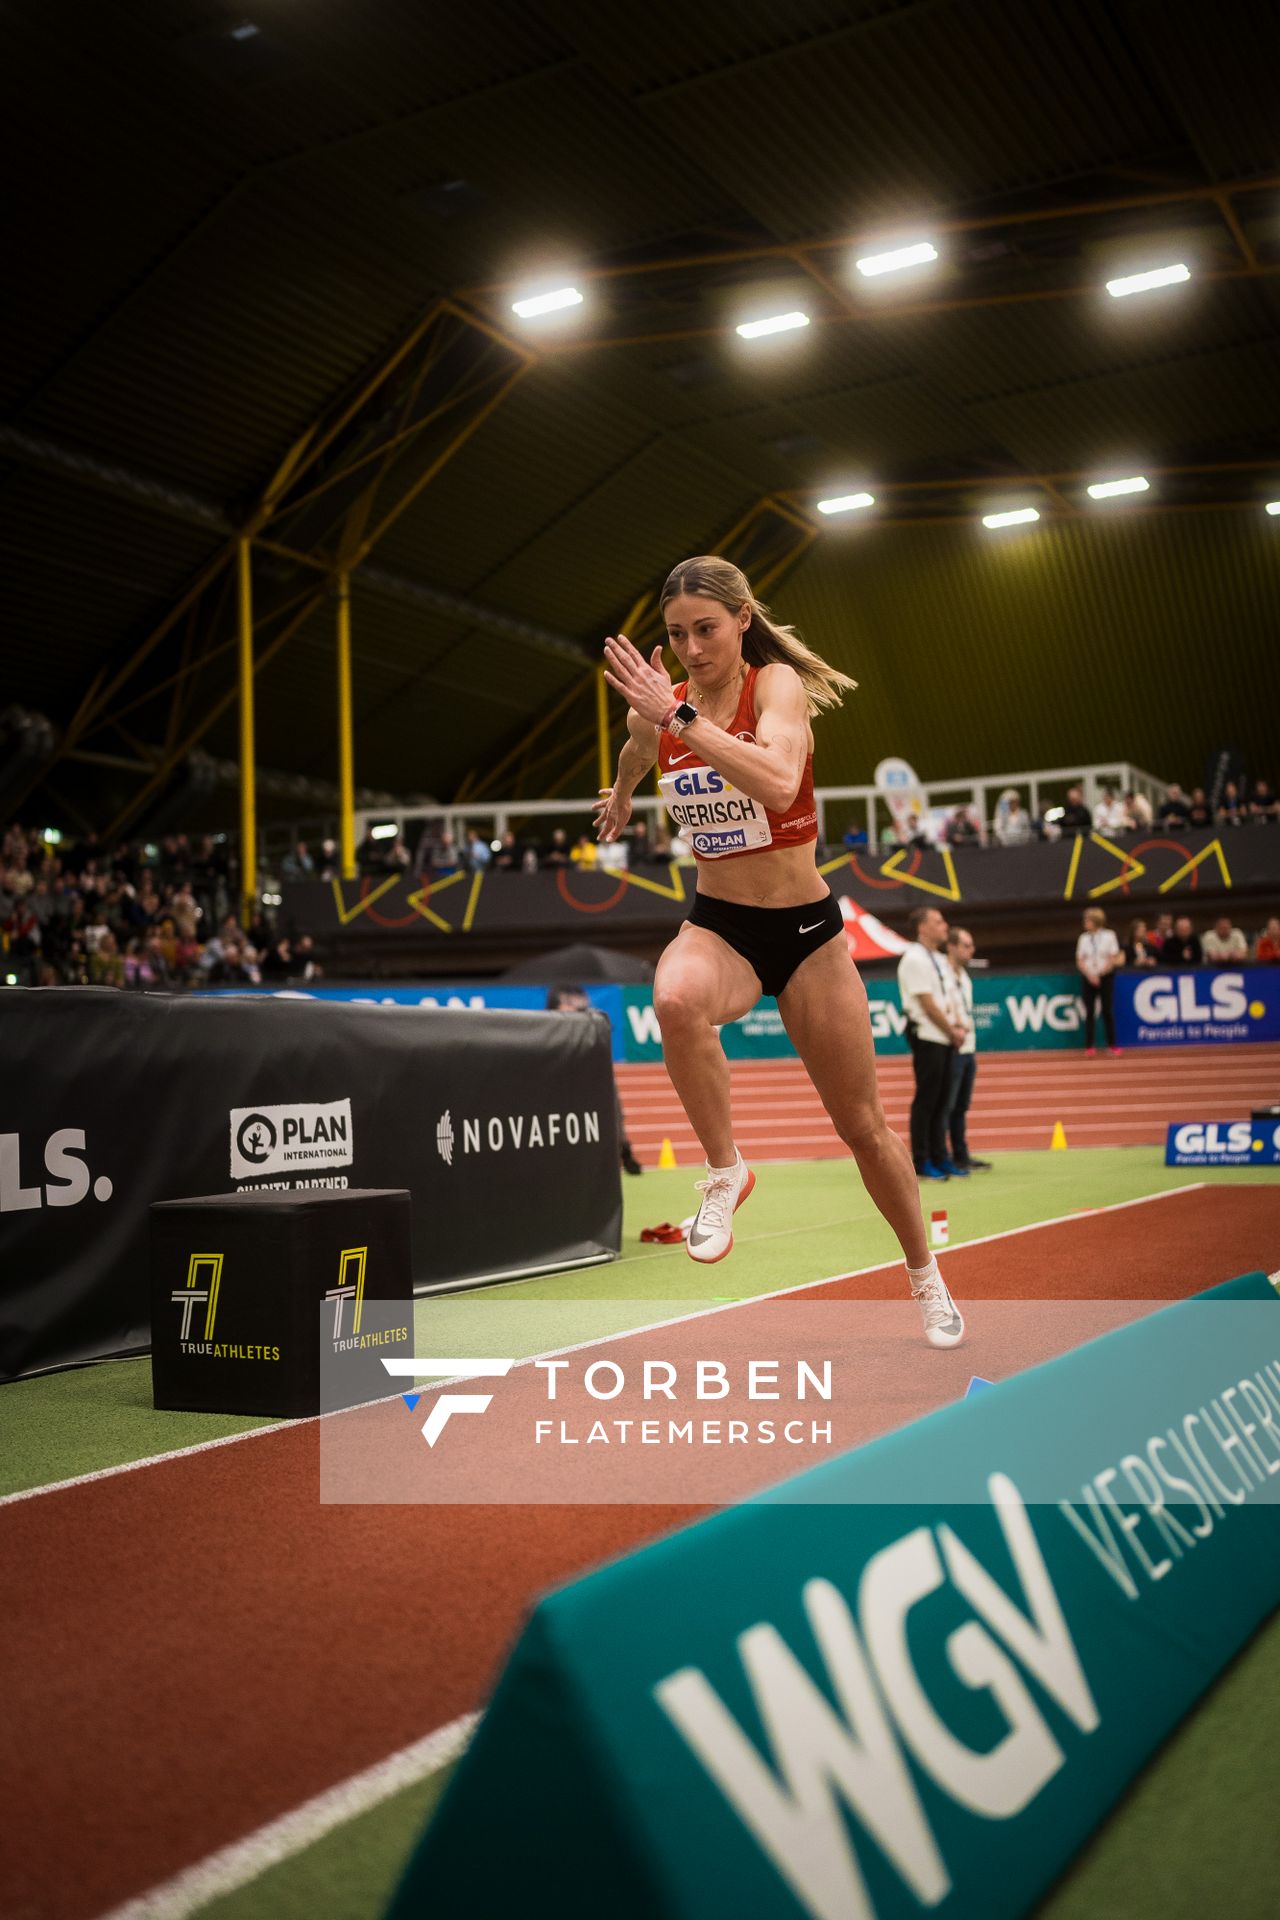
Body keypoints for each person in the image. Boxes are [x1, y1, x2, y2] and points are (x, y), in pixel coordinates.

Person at [595, 552, 964, 1347]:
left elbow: (776, 779)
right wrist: (623, 793)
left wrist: (679, 718)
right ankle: (725, 1170)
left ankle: (924, 1276)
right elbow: (636, 745)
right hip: (720, 925)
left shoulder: (775, 688)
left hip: (806, 935)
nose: (692, 649)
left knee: (863, 1127)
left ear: (743, 622)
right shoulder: (659, 708)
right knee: (674, 999)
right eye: (677, 634)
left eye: (706, 630)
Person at [898, 906, 968, 1181]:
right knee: (927, 1100)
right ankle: (922, 1160)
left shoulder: (938, 959)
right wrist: (952, 1030)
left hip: (945, 1036)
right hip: (928, 1036)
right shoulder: (914, 958)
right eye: (938, 922)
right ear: (922, 927)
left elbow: (949, 998)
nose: (944, 926)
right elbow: (927, 1004)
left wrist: (957, 1026)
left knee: (942, 1101)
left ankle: (941, 1156)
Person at [944, 926, 992, 1173]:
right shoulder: (941, 973)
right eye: (966, 945)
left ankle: (961, 1155)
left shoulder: (964, 976)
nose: (971, 950)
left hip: (968, 1048)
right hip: (951, 1047)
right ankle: (942, 1156)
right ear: (951, 946)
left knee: (961, 1106)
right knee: (947, 1105)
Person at [1075, 906, 1122, 1056]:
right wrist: (1090, 975)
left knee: (1107, 1010)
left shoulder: (1109, 936)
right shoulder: (1083, 938)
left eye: (1088, 919)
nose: (1085, 922)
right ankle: (1089, 1046)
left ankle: (1112, 1044)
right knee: (1089, 1012)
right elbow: (1080, 960)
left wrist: (1101, 973)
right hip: (1089, 977)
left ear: (1096, 920)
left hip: (1105, 977)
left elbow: (1113, 957)